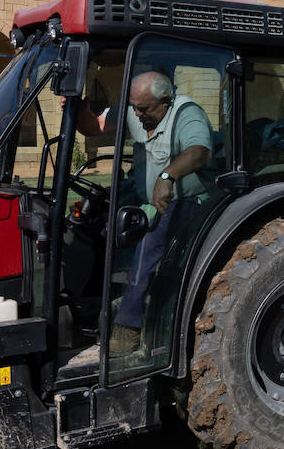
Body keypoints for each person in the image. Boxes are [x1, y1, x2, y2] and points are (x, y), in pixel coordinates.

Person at [74, 71, 212, 353]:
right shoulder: (136, 110)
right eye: (133, 106)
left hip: (185, 200)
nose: (136, 114)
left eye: (144, 109)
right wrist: (80, 110)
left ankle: (128, 327)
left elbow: (199, 151)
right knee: (96, 222)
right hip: (144, 198)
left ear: (165, 101)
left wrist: (167, 177)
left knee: (150, 243)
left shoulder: (187, 114)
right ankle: (90, 301)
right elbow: (95, 126)